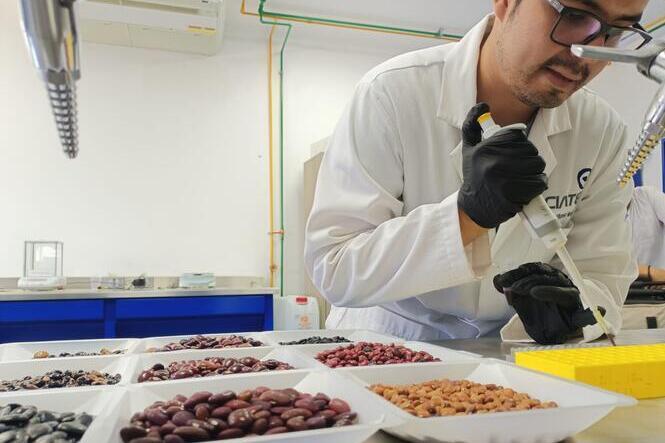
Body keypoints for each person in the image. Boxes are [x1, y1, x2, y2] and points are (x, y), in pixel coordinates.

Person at [305, 0, 651, 345]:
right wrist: (466, 216)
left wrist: (573, 314)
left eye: (617, 32)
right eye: (574, 16)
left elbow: (603, 273)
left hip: (513, 350)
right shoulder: (392, 93)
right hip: (386, 343)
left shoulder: (601, 130)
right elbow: (334, 267)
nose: (589, 54)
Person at [628, 186, 665, 282]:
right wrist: (650, 272)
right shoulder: (597, 216)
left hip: (658, 289)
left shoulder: (646, 196)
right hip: (621, 291)